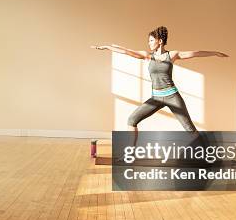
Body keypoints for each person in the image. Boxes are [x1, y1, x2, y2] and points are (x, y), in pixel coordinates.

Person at [91, 26, 228, 145]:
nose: (148, 43)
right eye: (149, 40)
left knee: (190, 129)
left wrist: (214, 53)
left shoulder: (172, 55)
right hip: (156, 98)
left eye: (151, 40)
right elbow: (127, 51)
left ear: (160, 41)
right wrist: (108, 47)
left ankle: (209, 154)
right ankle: (130, 154)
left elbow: (194, 53)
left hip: (172, 96)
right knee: (132, 119)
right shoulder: (147, 56)